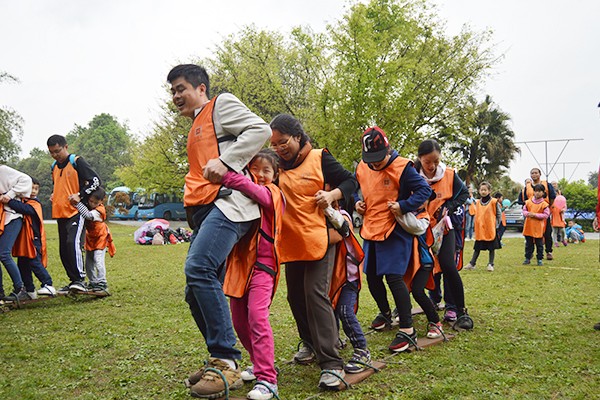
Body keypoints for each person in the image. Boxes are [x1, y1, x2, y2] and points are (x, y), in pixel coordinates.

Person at [167, 64, 271, 399]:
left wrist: (227, 162)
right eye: (171, 91)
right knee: (192, 291)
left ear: (200, 88)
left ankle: (226, 360)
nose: (175, 96)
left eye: (180, 88)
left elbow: (260, 130)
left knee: (199, 268)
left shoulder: (220, 105)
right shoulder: (196, 124)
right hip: (205, 209)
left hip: (230, 205)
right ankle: (218, 357)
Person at [269, 114, 358, 390]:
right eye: (274, 144)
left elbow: (351, 182)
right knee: (295, 296)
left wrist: (332, 195)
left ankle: (331, 363)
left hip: (320, 238)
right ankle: (309, 343)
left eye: (283, 142)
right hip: (291, 242)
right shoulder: (276, 166)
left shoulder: (319, 158)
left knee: (315, 294)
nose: (279, 148)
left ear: (298, 136)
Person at [355, 127, 432, 353]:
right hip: (370, 228)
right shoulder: (362, 167)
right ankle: (386, 313)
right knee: (372, 276)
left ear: (387, 150)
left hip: (394, 229)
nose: (375, 164)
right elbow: (354, 188)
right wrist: (356, 203)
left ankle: (407, 330)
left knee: (394, 278)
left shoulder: (403, 167)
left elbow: (424, 191)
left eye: (379, 159)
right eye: (371, 160)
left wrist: (404, 205)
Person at [220, 149, 285, 400]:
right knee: (238, 321)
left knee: (257, 317)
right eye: (254, 169)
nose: (260, 175)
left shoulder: (274, 193)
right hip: (239, 267)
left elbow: (260, 195)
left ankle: (268, 379)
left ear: (275, 175)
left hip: (264, 266)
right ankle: (259, 363)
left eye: (266, 170)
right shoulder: (240, 194)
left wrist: (228, 176)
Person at [414, 139, 474, 330]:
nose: (432, 166)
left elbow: (463, 194)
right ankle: (418, 305)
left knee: (448, 265)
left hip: (443, 228)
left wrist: (448, 206)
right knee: (420, 268)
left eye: (436, 161)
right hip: (421, 229)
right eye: (427, 162)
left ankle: (460, 310)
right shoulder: (412, 174)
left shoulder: (449, 175)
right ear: (419, 159)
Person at [47, 134, 101, 293]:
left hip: (75, 212)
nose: (55, 155)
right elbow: (60, 185)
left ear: (66, 147)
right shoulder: (54, 167)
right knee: (63, 249)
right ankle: (73, 281)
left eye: (57, 151)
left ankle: (80, 279)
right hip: (60, 213)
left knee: (73, 243)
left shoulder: (77, 162)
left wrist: (81, 195)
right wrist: (54, 194)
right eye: (51, 152)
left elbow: (95, 181)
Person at [325, 200, 371, 374]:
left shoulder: (343, 216)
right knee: (330, 311)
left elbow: (340, 231)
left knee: (345, 311)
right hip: (333, 279)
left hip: (347, 279)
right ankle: (335, 340)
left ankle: (362, 349)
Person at [389, 200, 445, 339]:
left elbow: (414, 227)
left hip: (423, 262)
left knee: (418, 291)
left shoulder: (424, 217)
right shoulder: (407, 211)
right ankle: (404, 319)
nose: (418, 201)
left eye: (422, 198)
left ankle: (436, 322)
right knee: (403, 289)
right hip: (407, 261)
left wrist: (397, 211)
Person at [6, 177, 56, 298]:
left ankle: (48, 284)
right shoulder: (23, 201)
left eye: (36, 189)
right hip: (24, 240)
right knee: (22, 264)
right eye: (31, 188)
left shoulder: (35, 203)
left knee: (34, 262)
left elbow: (25, 210)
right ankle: (29, 290)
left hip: (33, 239)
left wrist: (8, 201)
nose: (33, 191)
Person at [69, 188, 115, 293]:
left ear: (101, 202)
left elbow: (88, 215)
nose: (93, 204)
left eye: (96, 202)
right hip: (90, 238)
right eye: (91, 201)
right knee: (88, 262)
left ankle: (102, 282)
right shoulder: (88, 206)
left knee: (98, 259)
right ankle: (93, 281)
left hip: (101, 237)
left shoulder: (99, 210)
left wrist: (77, 203)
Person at [0, 165, 32, 301]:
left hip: (11, 217)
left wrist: (9, 196)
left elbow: (26, 180)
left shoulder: (3, 171)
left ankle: (21, 289)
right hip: (1, 218)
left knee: (3, 253)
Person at [518, 168, 556, 260]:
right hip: (530, 215)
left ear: (540, 174)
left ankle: (548, 251)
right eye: (532, 173)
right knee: (529, 235)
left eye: (536, 173)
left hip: (542, 213)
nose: (534, 175)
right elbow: (523, 201)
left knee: (547, 233)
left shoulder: (547, 184)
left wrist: (547, 208)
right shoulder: (527, 187)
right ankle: (529, 254)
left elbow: (552, 197)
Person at [464, 183, 501, 272]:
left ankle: (490, 264)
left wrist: (496, 225)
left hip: (491, 228)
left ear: (489, 191)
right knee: (477, 247)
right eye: (481, 190)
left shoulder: (494, 202)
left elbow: (499, 214)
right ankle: (472, 263)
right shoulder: (477, 202)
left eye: (485, 190)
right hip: (481, 229)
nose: (483, 192)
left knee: (491, 248)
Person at [522, 184, 550, 266]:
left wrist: (535, 215)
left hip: (538, 228)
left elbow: (546, 215)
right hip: (528, 226)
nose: (537, 193)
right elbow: (524, 211)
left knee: (539, 244)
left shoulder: (544, 204)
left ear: (543, 192)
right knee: (528, 244)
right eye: (536, 191)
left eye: (539, 191)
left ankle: (540, 259)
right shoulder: (528, 202)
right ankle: (527, 258)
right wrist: (528, 214)